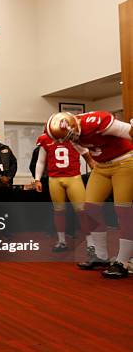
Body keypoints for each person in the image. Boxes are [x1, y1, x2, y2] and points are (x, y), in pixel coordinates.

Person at [46, 111, 133, 278]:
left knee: (123, 211)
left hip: (125, 161)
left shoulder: (96, 121)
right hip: (102, 166)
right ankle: (100, 256)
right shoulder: (67, 134)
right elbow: (83, 150)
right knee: (90, 209)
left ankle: (123, 261)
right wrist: (94, 164)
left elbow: (129, 133)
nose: (70, 140)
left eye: (70, 136)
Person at [34, 133, 94, 251]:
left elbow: (86, 154)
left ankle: (91, 242)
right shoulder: (45, 139)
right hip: (54, 179)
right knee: (58, 211)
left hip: (74, 177)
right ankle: (61, 241)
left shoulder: (74, 138)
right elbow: (41, 161)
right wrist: (37, 179)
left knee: (82, 210)